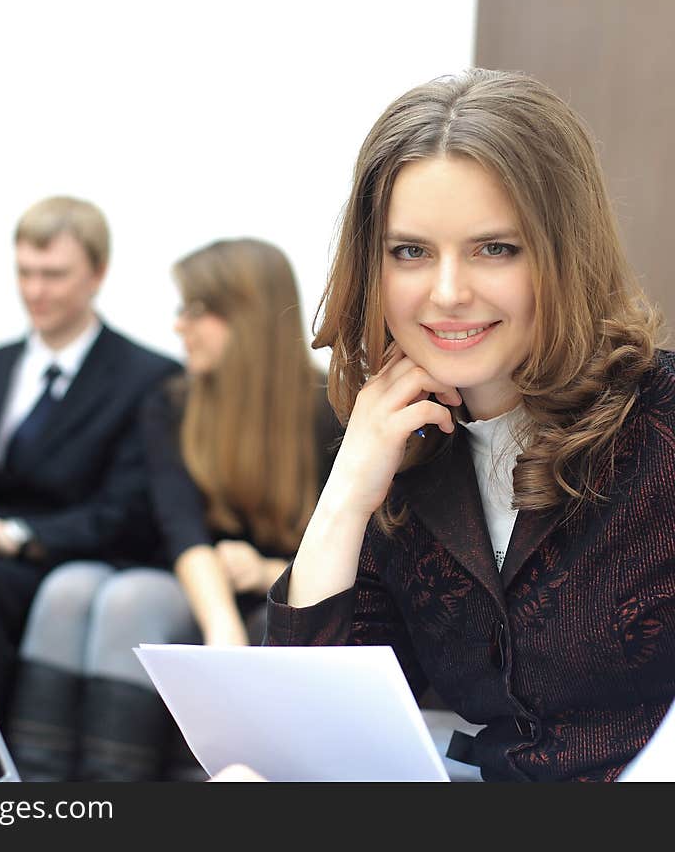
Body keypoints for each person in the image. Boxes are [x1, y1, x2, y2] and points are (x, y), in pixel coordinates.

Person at [257, 67, 675, 782]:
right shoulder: (404, 447)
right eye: (410, 251)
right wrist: (345, 494)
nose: (448, 293)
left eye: (495, 248)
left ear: (565, 253)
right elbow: (307, 731)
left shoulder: (660, 423)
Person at [6, 238, 340, 781]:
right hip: (194, 577)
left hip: (290, 585)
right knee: (71, 587)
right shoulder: (172, 402)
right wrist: (221, 630)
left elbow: (357, 555)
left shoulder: (330, 410)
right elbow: (181, 529)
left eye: (195, 311)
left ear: (247, 316)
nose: (179, 326)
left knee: (134, 600)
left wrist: (262, 571)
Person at [0, 196, 179, 722]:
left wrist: (17, 534)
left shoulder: (146, 377)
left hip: (58, 557)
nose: (35, 291)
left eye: (54, 275)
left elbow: (127, 513)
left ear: (98, 273)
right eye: (25, 273)